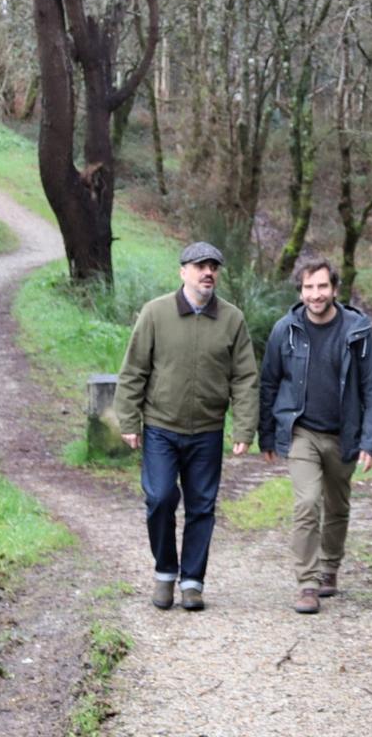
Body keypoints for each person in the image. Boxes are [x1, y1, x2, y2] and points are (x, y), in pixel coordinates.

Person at [116, 241, 259, 611]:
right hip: (162, 426)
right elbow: (133, 371)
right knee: (160, 498)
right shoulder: (155, 313)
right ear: (183, 272)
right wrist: (129, 419)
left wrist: (243, 428)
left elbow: (244, 378)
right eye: (199, 266)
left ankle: (192, 582)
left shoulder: (232, 319)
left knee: (202, 507)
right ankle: (165, 572)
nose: (207, 272)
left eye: (213, 266)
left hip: (208, 430)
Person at [259, 258, 372, 614]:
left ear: (334, 289)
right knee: (307, 502)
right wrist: (266, 436)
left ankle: (330, 567)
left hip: (344, 435)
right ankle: (307, 583)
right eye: (308, 288)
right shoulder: (285, 330)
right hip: (302, 431)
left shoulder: (357, 332)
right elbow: (269, 383)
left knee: (337, 505)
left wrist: (370, 441)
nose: (315, 295)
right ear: (300, 291)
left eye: (321, 287)